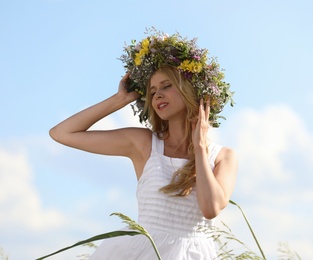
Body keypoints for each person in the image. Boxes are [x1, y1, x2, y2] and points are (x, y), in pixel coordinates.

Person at [49, 29, 237, 259]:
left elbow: (210, 209)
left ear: (189, 89)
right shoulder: (144, 144)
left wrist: (199, 148)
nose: (157, 95)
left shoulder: (223, 157)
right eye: (153, 91)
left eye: (167, 86)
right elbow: (61, 133)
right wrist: (119, 100)